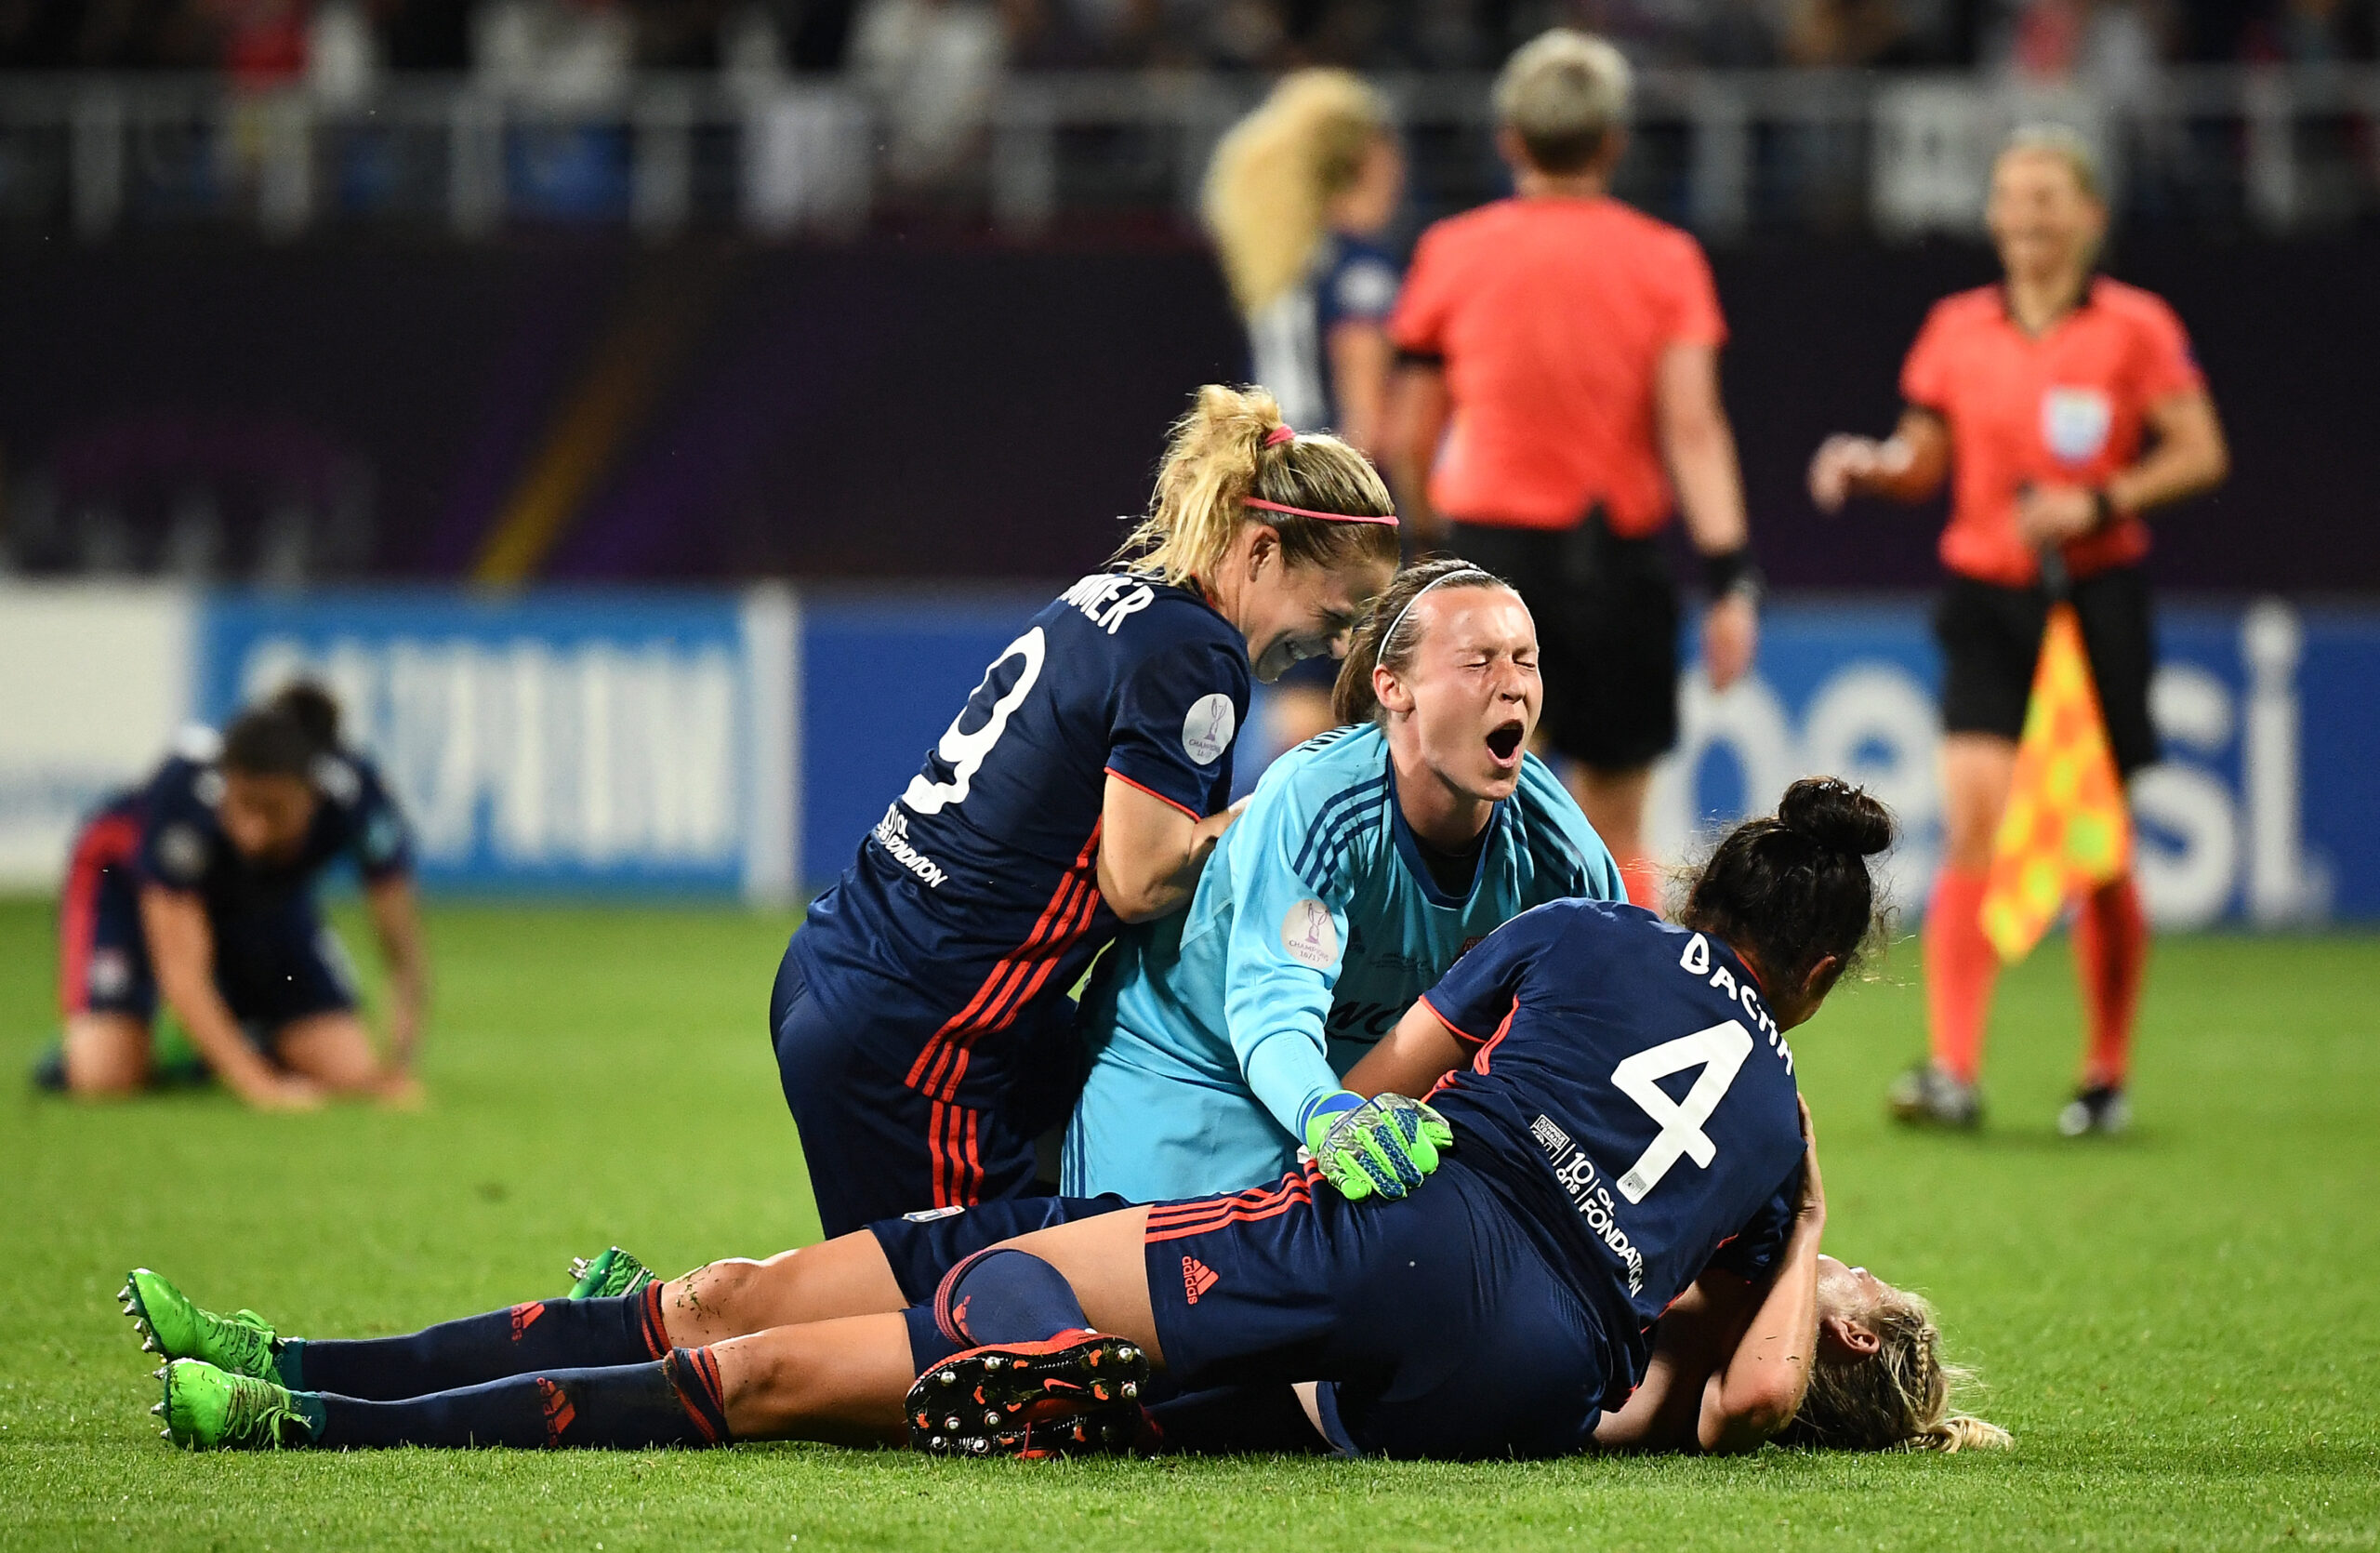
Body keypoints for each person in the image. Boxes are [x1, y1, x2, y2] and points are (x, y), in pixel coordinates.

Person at [134, 780, 2003, 1461]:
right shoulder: (1756, 1162)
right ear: (1824, 980)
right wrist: (1808, 1208)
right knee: (756, 1303)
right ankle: (304, 1368)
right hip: (1418, 1341)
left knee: (836, 1328)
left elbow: (1370, 1099)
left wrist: (1386, 1123)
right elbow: (1738, 1392)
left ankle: (304, 1401)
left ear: (1701, 891)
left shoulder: (1587, 924)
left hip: (1372, 1237)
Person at [773, 384, 1401, 1239]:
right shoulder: (1198, 654)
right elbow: (1140, 880)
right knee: (959, 1326)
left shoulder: (1113, 598)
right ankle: (650, 1334)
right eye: (1335, 615)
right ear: (1260, 551)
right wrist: (1284, 813)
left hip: (857, 968)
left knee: (1081, 1178)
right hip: (922, 1033)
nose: (1334, 647)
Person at [1807, 126, 2228, 1135]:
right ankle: (1952, 1067)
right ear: (1993, 215)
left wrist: (2104, 498)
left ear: (2089, 215)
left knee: (2097, 841)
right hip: (1987, 600)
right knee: (1977, 821)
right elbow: (1923, 458)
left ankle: (2104, 1072)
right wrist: (1874, 463)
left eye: (2048, 198)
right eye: (2012, 198)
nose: (2028, 217)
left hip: (2090, 603)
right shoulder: (1955, 326)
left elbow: (2200, 450)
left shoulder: (2135, 327)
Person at [1061, 558, 1620, 1204]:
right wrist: (1329, 1115)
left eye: (1526, 660)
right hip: (1196, 1073)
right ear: (1393, 687)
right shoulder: (1323, 802)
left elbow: (1613, 1009)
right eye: (1479, 662)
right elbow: (1272, 1007)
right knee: (1149, 1298)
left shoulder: (1558, 848)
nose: (1513, 686)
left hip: (1356, 1099)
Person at [1385, 29, 1762, 911]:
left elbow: (1409, 434)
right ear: (1612, 143)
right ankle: (1616, 1027)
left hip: (1487, 559)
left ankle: (1469, 1029)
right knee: (1615, 832)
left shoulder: (1453, 251)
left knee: (1464, 815)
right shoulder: (1666, 261)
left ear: (1510, 139)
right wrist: (1730, 579)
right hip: (1618, 562)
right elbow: (1694, 428)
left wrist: (1430, 548)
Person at [47, 683, 426, 1109]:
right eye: (243, 805)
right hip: (128, 886)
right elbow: (181, 968)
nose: (252, 831)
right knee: (106, 1076)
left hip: (259, 900)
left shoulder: (356, 796)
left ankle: (234, 1039)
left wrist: (399, 1060)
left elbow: (398, 937)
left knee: (349, 1071)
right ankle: (167, 1040)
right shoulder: (185, 795)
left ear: (312, 795)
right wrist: (259, 1087)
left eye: (274, 811)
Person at [1202, 69, 1408, 754]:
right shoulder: (1361, 269)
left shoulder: (1282, 261)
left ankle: (1261, 852)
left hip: (1273, 497)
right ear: (1365, 159)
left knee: (1296, 705)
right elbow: (1366, 421)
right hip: (1335, 508)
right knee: (1344, 722)